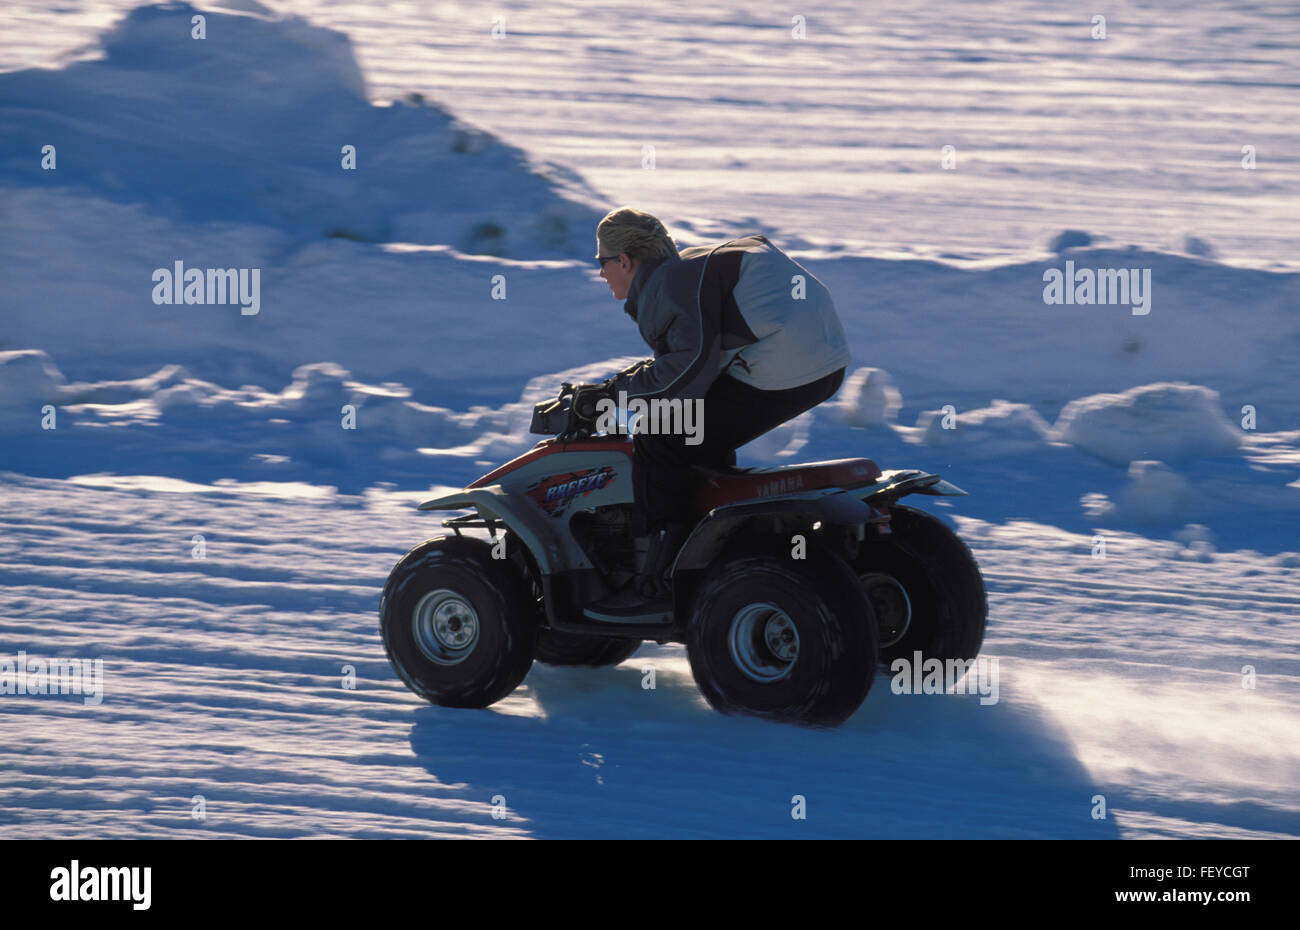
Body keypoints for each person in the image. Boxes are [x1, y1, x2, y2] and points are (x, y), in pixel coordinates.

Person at [578, 207, 850, 619]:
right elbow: (693, 361)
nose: (600, 273)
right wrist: (620, 388)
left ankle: (655, 584)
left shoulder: (664, 286)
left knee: (661, 435)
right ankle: (710, 550)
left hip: (788, 361)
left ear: (625, 261)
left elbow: (687, 372)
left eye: (601, 262)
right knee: (698, 432)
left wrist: (613, 397)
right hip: (820, 358)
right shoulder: (683, 271)